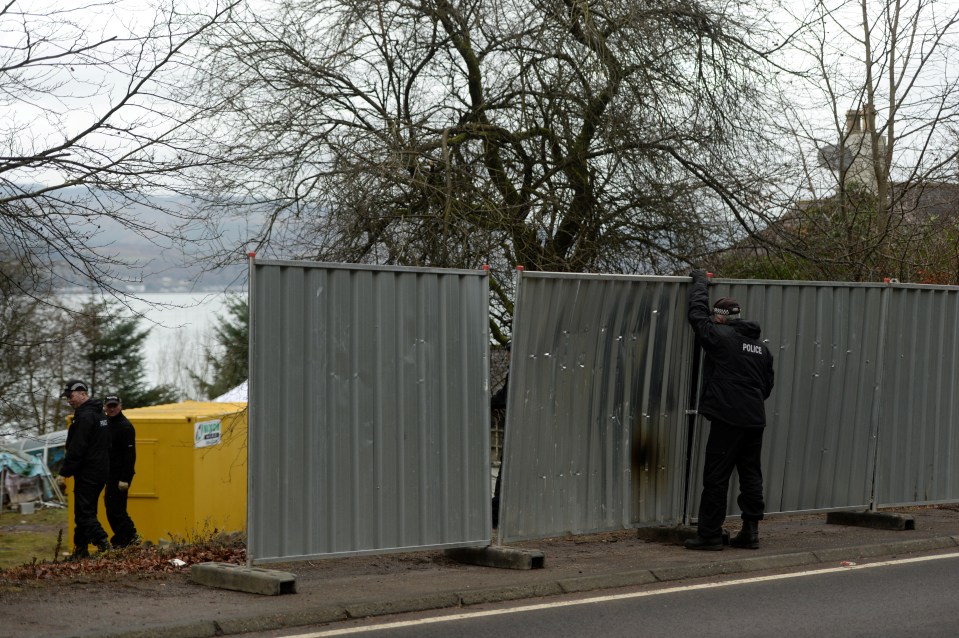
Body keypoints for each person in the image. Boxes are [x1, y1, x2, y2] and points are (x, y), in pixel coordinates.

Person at [685, 270, 775, 551]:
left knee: (716, 475)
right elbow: (767, 387)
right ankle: (750, 532)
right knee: (750, 474)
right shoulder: (761, 349)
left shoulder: (721, 337)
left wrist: (700, 282)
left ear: (721, 318)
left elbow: (696, 316)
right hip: (754, 419)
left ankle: (710, 534)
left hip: (728, 418)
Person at [58, 379, 112, 559]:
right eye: (67, 398)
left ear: (82, 393)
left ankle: (103, 543)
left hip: (88, 471)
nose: (69, 401)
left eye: (71, 396)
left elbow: (77, 447)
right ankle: (80, 551)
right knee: (85, 510)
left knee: (84, 512)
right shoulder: (100, 414)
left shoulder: (85, 416)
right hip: (100, 470)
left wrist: (64, 472)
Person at [103, 395, 139, 547]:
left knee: (116, 509)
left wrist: (125, 478)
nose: (112, 409)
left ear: (120, 406)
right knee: (112, 507)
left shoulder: (125, 426)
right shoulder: (105, 423)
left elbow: (130, 455)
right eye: (109, 406)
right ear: (104, 407)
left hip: (120, 475)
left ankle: (128, 537)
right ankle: (125, 538)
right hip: (109, 473)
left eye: (114, 406)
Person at [490, 342, 510, 528]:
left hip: (516, 433)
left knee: (504, 475)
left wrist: (486, 403)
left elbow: (504, 398)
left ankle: (495, 515)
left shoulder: (517, 372)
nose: (507, 355)